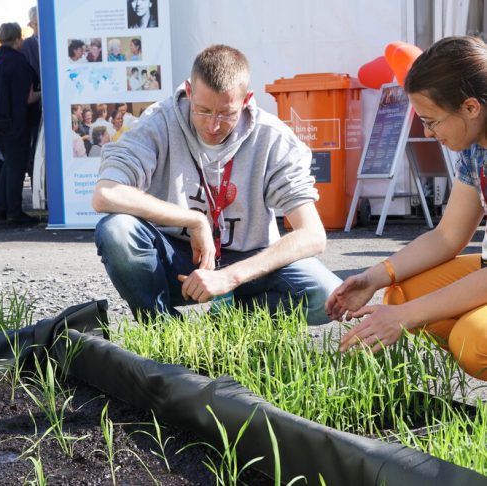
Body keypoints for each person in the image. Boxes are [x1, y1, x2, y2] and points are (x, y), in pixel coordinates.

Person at [92, 44, 341, 321]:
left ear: (247, 100)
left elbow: (313, 235)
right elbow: (106, 194)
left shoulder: (273, 138)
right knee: (116, 230)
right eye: (202, 110)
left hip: (249, 261)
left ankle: (226, 328)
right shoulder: (158, 122)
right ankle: (162, 331)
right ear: (188, 91)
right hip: (178, 259)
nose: (212, 125)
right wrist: (194, 220)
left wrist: (230, 277)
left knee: (328, 295)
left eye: (226, 114)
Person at [325, 35, 487, 381]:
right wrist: (372, 277)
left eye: (431, 120)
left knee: (473, 342)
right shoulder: (476, 150)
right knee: (401, 293)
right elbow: (447, 236)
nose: (427, 134)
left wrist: (404, 317)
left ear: (471, 108)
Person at [0, 22, 38, 224]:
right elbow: (27, 98)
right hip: (12, 120)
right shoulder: (19, 62)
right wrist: (44, 92)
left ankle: (1, 209)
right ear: (18, 39)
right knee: (16, 165)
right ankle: (14, 211)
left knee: (8, 163)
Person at [21, 5, 41, 183]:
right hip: (34, 106)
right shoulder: (26, 45)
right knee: (34, 148)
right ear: (32, 23)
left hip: (54, 106)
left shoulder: (55, 39)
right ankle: (37, 185)